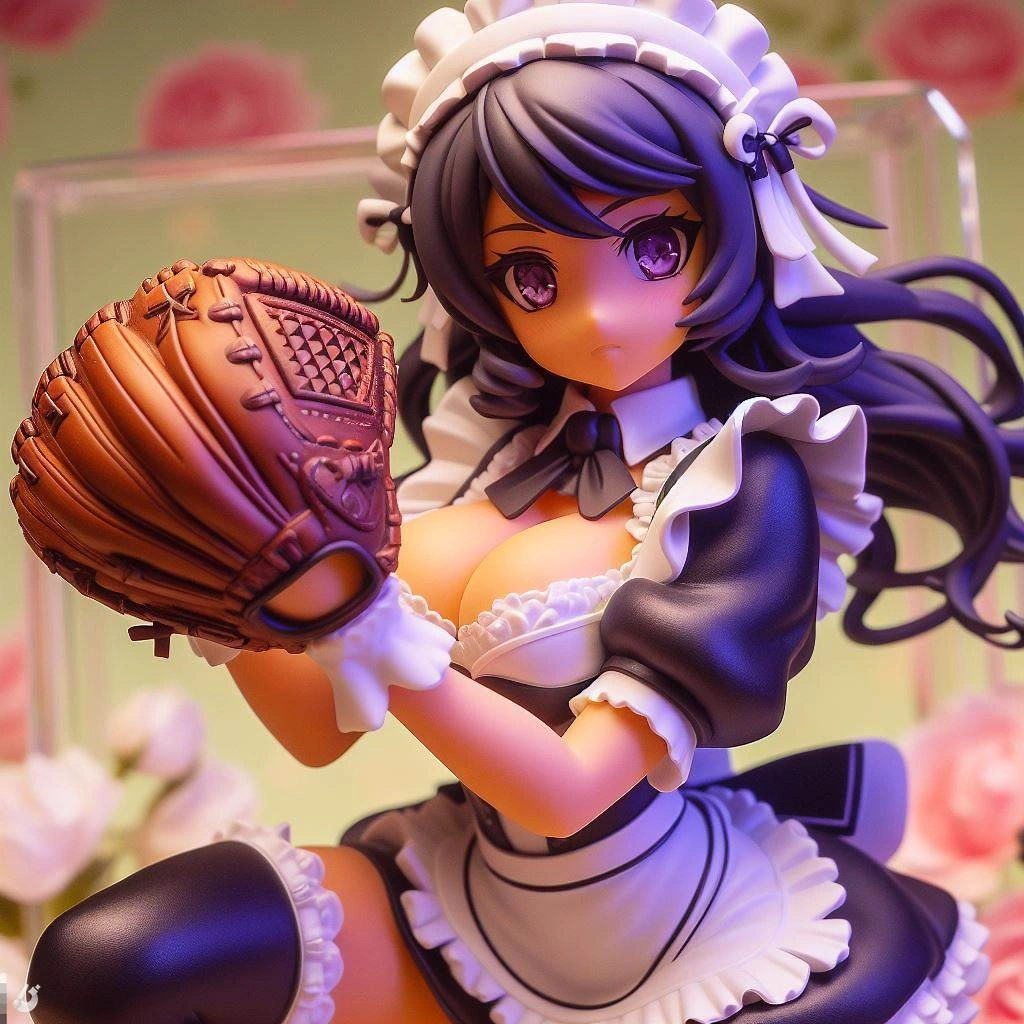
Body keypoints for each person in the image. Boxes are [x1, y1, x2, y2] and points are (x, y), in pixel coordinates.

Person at [24, 2, 1022, 1023]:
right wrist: (223, 585)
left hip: (680, 931)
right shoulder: (478, 457)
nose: (597, 313)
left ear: (732, 223)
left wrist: (367, 624)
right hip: (462, 899)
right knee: (110, 964)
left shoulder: (743, 483)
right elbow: (318, 732)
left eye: (653, 244)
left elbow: (570, 789)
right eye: (532, 273)